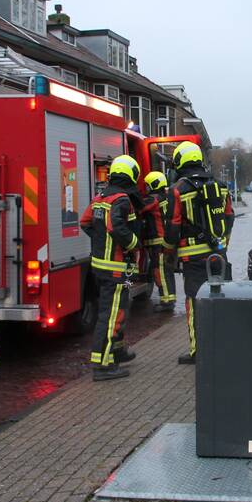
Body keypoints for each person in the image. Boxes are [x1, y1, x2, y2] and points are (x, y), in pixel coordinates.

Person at [164, 141, 235, 365]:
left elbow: (173, 227)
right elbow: (229, 217)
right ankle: (223, 346)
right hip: (218, 256)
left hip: (193, 260)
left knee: (195, 304)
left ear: (180, 162)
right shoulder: (221, 186)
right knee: (221, 300)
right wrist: (222, 245)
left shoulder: (178, 190)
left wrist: (168, 253)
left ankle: (198, 351)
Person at [80, 154, 142, 381]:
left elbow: (85, 222)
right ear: (131, 174)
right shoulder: (122, 199)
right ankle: (102, 365)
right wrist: (135, 244)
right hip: (116, 269)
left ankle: (117, 351)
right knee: (111, 315)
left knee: (120, 309)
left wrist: (99, 239)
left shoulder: (100, 197)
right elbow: (117, 227)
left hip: (104, 269)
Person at [141, 171, 176, 312]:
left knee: (160, 271)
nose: (147, 189)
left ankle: (167, 302)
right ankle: (169, 298)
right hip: (165, 241)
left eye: (148, 186)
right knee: (166, 271)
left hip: (158, 243)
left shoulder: (154, 199)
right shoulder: (166, 197)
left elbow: (140, 208)